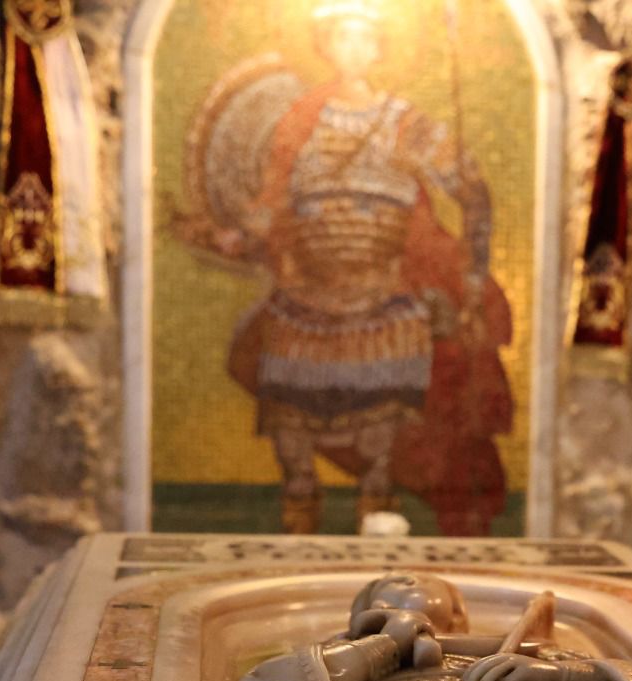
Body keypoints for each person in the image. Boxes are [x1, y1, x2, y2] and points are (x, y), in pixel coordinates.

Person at [204, 0, 513, 535]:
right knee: (290, 438)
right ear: (325, 46)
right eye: (342, 37)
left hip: (383, 304)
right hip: (304, 302)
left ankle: (379, 531)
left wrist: (470, 274)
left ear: (380, 48)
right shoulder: (301, 120)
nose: (352, 49)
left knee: (379, 456)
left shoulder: (406, 124)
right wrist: (236, 234)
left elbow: (474, 194)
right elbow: (271, 201)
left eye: (364, 37)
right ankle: (296, 544)